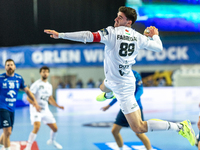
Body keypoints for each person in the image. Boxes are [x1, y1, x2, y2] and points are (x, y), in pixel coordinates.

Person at [44, 6, 196, 146]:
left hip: (123, 87)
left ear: (128, 22)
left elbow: (87, 35)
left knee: (139, 127)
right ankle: (108, 93)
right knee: (103, 86)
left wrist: (61, 35)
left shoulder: (112, 32)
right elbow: (158, 47)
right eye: (117, 16)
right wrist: (155, 35)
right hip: (119, 79)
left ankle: (181, 127)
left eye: (120, 17)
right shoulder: (138, 37)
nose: (116, 19)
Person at [101, 70, 152, 150]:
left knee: (139, 132)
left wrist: (132, 101)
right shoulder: (117, 75)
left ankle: (149, 149)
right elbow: (118, 94)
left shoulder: (135, 74)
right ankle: (121, 148)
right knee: (114, 131)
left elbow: (140, 90)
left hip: (135, 107)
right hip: (124, 108)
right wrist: (109, 105)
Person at [0, 59, 40, 150]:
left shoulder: (19, 78)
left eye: (11, 65)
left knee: (8, 132)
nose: (10, 66)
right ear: (5, 67)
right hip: (2, 107)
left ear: (14, 66)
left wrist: (35, 102)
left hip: (12, 109)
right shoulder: (0, 78)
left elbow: (27, 91)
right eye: (8, 65)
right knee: (8, 132)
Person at [25, 66, 64, 150]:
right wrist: (36, 105)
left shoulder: (49, 86)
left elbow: (50, 99)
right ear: (40, 73)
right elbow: (28, 98)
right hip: (35, 109)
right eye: (43, 71)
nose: (45, 73)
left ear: (48, 73)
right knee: (37, 127)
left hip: (45, 110)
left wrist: (58, 106)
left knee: (55, 129)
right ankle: (28, 147)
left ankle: (52, 141)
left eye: (46, 72)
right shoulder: (36, 84)